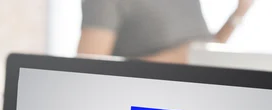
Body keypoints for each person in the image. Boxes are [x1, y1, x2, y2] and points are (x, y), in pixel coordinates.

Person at [77, 0, 255, 64]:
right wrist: (176, 59)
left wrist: (239, 13)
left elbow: (206, 51)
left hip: (205, 99)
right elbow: (89, 71)